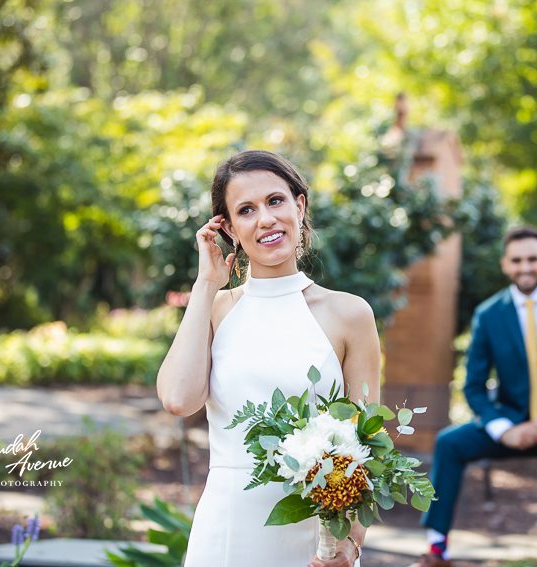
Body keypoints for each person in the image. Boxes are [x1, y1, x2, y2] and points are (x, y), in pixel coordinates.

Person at [157, 150, 379, 567]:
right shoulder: (216, 309)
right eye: (246, 210)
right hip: (226, 531)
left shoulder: (350, 314)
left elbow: (366, 443)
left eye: (275, 201)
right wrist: (206, 285)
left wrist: (350, 543)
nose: (265, 219)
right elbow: (177, 399)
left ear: (299, 205)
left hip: (315, 538)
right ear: (229, 229)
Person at [418, 225, 537, 567]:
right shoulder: (490, 315)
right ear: (505, 265)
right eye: (517, 260)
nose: (525, 267)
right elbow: (473, 385)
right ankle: (437, 549)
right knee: (450, 443)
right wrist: (503, 428)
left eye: (532, 259)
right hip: (515, 425)